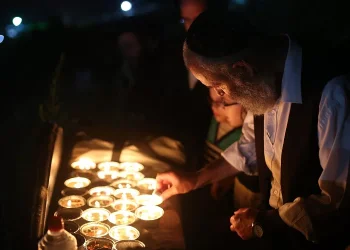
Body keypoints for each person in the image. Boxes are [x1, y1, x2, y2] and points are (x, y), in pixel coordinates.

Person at [156, 10, 350, 250]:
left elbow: (338, 201)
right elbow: (251, 147)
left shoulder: (332, 94)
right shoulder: (262, 82)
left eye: (219, 87)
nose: (221, 96)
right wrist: (196, 179)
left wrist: (264, 222)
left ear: (242, 69)